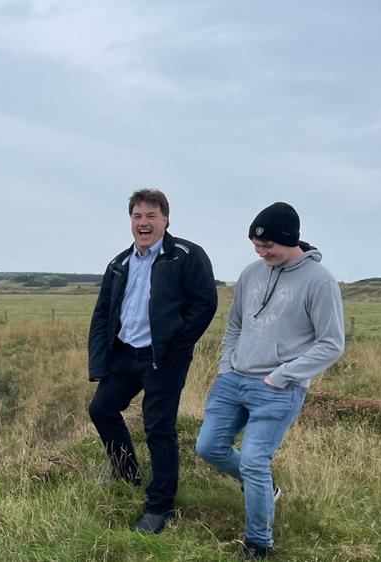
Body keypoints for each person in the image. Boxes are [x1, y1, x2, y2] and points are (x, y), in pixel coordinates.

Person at [195, 202, 344, 559]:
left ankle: (259, 544)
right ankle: (265, 489)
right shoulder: (251, 273)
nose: (262, 253)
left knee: (253, 461)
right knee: (208, 447)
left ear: (290, 240)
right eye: (256, 246)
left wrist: (281, 376)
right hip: (233, 380)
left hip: (277, 389)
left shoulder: (320, 282)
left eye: (268, 247)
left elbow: (331, 343)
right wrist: (225, 368)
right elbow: (235, 325)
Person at [87, 189, 218, 533]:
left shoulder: (186, 256)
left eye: (151, 216)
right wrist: (100, 363)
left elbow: (205, 303)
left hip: (163, 358)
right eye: (137, 216)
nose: (143, 223)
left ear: (165, 220)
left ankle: (160, 506)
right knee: (101, 409)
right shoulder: (119, 264)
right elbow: (103, 314)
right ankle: (126, 473)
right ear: (130, 221)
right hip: (125, 354)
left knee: (158, 428)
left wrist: (177, 345)